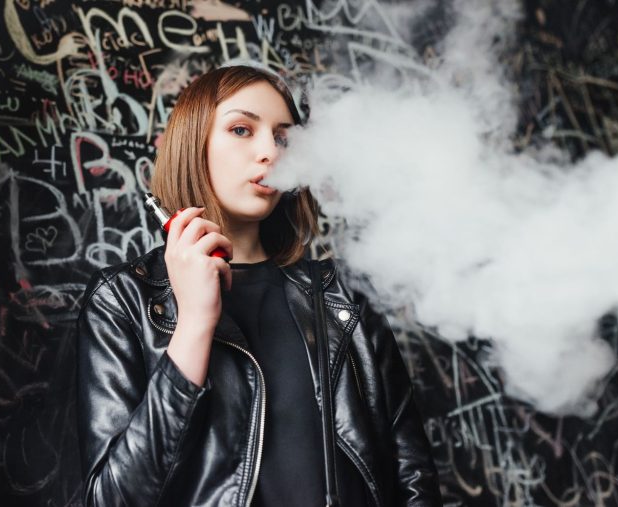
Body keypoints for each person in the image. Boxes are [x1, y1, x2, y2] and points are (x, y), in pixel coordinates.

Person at [76, 65, 441, 506]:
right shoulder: (122, 300)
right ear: (193, 144)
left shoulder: (343, 297)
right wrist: (194, 323)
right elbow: (111, 499)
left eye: (283, 138)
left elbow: (413, 478)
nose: (270, 152)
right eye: (241, 130)